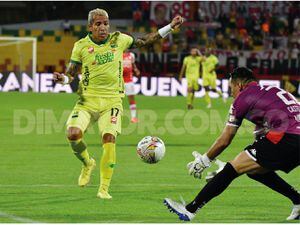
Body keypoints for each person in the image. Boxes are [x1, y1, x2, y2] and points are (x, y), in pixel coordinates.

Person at [53, 8, 183, 199]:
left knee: (108, 138)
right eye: (98, 24)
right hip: (87, 100)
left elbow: (145, 40)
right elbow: (70, 74)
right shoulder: (80, 46)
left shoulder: (119, 39)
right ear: (90, 27)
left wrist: (170, 27)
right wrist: (63, 79)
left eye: (105, 23)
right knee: (73, 134)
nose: (103, 27)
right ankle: (88, 163)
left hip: (112, 100)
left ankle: (103, 188)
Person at [164, 67, 300, 221]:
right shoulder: (272, 91)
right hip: (292, 136)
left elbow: (226, 139)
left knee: (232, 169)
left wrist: (204, 161)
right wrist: (228, 171)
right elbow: (261, 140)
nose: (231, 93)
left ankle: (190, 210)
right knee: (253, 170)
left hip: (286, 137)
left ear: (239, 85)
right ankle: (298, 200)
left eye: (231, 88)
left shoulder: (242, 98)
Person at [123, 51, 140, 123]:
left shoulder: (131, 55)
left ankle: (133, 117)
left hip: (129, 80)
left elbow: (133, 64)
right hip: (118, 81)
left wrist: (136, 70)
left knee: (131, 98)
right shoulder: (117, 52)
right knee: (117, 99)